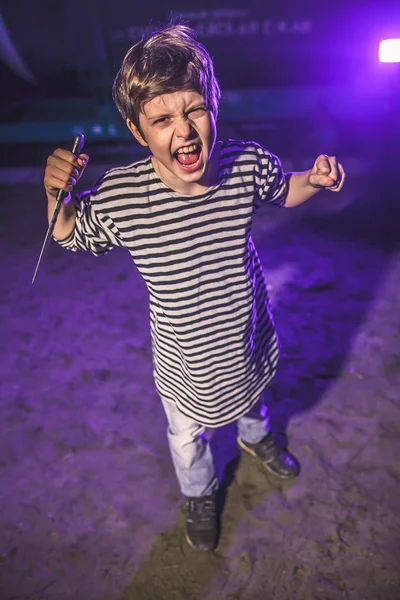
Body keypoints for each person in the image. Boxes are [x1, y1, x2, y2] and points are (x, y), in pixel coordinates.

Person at [43, 24, 346, 552]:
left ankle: (255, 439)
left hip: (243, 336)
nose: (182, 131)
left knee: (253, 397)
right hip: (183, 360)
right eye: (161, 119)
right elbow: (67, 234)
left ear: (214, 105)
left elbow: (284, 188)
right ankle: (200, 492)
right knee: (187, 437)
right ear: (139, 132)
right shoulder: (121, 196)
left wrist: (312, 181)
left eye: (194, 110)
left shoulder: (245, 163)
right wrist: (56, 195)